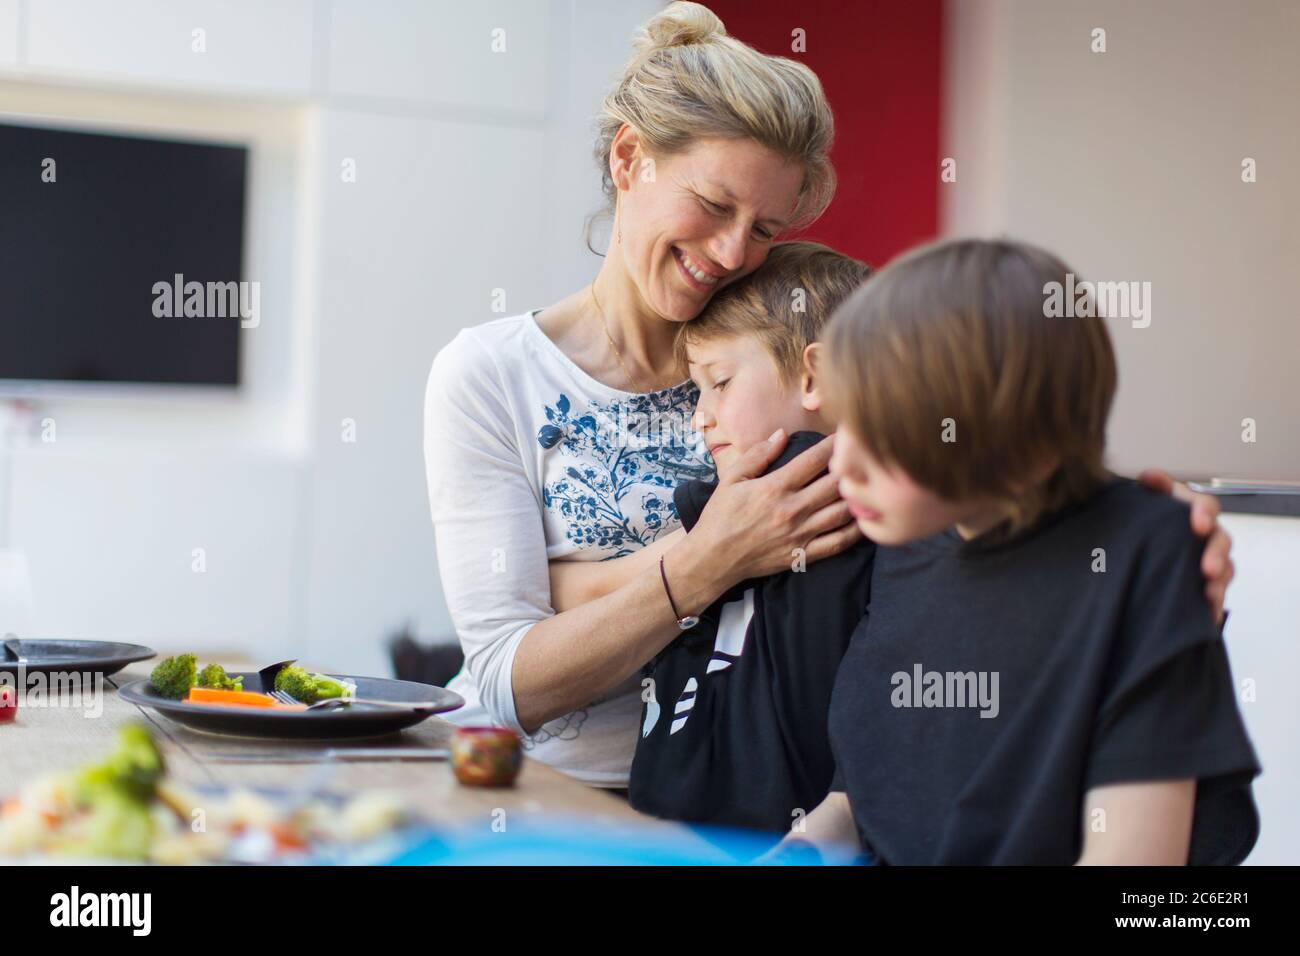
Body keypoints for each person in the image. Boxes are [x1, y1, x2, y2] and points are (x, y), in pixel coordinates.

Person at [424, 2, 1236, 792]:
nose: (733, 251)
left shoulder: (785, 354)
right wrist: (711, 560)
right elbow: (501, 683)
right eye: (712, 205)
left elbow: (972, 477)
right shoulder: (491, 377)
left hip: (768, 810)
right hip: (545, 796)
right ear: (629, 158)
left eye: (766, 227)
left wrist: (1143, 535)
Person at [787, 239, 1260, 865]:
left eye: (889, 437)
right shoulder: (902, 539)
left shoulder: (1145, 557)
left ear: (1023, 445)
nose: (843, 464)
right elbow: (857, 804)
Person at [629, 242, 874, 833]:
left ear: (814, 375)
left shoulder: (859, 522)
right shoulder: (710, 508)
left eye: (720, 383)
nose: (699, 416)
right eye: (697, 390)